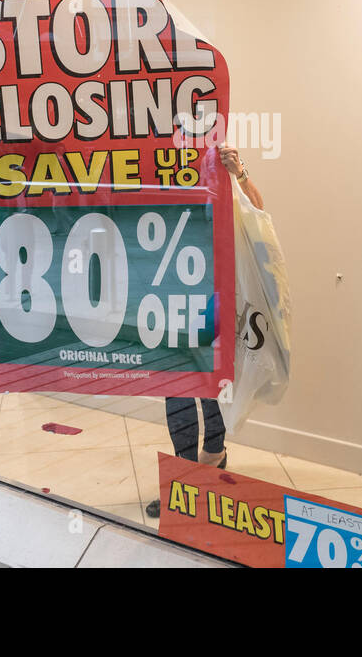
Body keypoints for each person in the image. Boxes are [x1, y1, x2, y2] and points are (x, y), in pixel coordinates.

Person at [146, 145, 262, 520]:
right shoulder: (155, 164)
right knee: (174, 383)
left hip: (214, 295)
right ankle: (185, 475)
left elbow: (258, 213)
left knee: (212, 384)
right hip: (171, 295)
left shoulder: (220, 164)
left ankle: (213, 462)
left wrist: (239, 173)